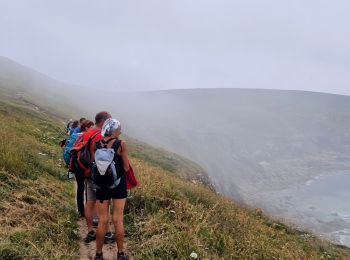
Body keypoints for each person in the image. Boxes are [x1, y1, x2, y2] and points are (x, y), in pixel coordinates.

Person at [94, 118, 129, 260]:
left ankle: (98, 254)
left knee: (103, 220)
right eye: (119, 129)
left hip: (101, 186)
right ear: (114, 130)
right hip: (118, 185)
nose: (120, 131)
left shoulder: (97, 143)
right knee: (118, 220)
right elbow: (126, 167)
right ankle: (120, 254)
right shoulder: (121, 144)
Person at [82, 112, 112, 243]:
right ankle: (106, 233)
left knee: (89, 202)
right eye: (109, 120)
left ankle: (90, 231)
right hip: (97, 174)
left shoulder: (87, 133)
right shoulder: (100, 135)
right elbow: (99, 157)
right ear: (103, 121)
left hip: (86, 172)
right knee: (103, 203)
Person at [73, 119, 94, 217]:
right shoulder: (89, 136)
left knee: (80, 188)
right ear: (86, 127)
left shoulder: (78, 136)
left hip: (77, 165)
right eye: (91, 127)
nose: (92, 128)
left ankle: (81, 212)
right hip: (85, 167)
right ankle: (88, 211)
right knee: (88, 188)